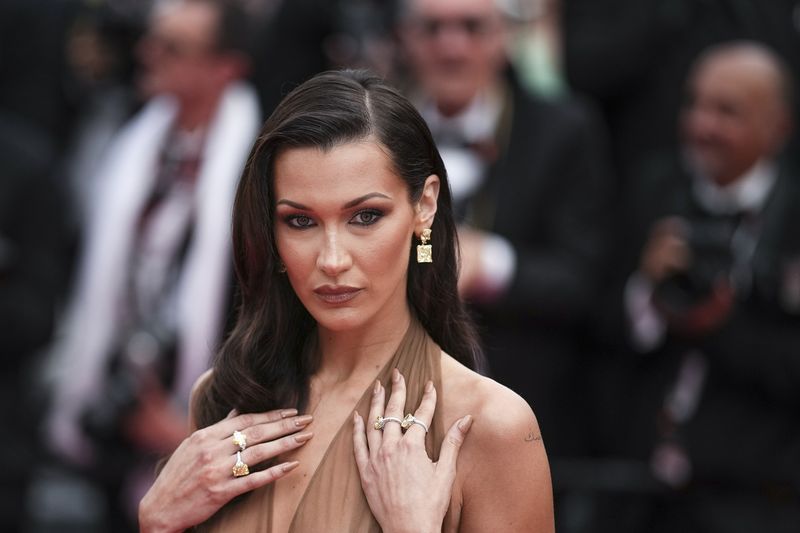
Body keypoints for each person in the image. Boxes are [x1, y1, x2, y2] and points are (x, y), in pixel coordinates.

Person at [138, 69, 554, 532]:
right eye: (301, 222)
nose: (332, 260)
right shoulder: (225, 397)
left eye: (365, 216)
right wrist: (156, 522)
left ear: (424, 206)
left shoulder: (492, 426)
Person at [44, 0, 260, 528]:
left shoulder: (261, 172)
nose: (147, 53)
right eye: (151, 39)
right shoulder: (130, 142)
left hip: (213, 425)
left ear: (225, 68)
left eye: (172, 47)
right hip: (116, 412)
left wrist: (192, 429)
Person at [395, 0, 614, 460]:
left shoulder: (563, 129)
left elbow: (586, 281)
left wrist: (489, 265)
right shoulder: (376, 128)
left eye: (472, 27)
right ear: (406, 37)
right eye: (432, 29)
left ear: (505, 36)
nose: (451, 48)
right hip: (394, 400)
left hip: (522, 412)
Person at [603, 41, 800, 532]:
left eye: (726, 111)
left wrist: (720, 320)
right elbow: (596, 318)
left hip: (755, 496)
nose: (700, 125)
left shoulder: (793, 217)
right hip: (638, 491)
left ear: (778, 127)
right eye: (694, 104)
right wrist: (646, 290)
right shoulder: (651, 188)